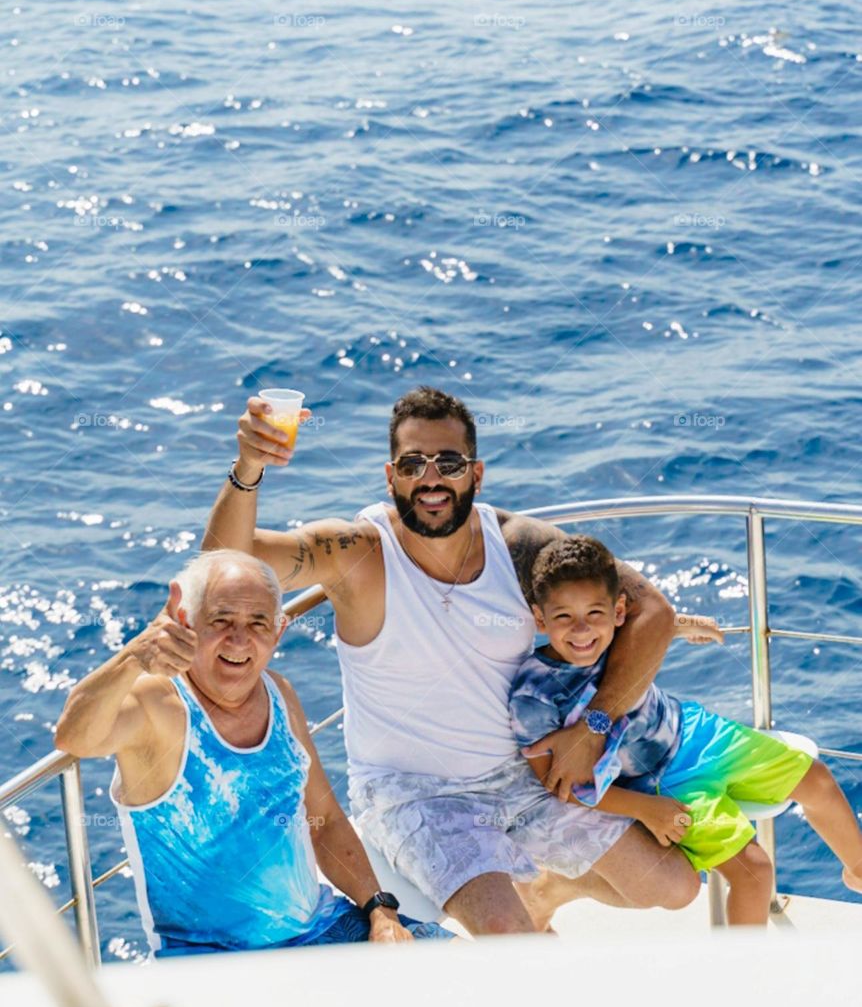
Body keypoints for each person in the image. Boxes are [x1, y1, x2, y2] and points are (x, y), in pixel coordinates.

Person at [201, 385, 702, 936]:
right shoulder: (356, 554)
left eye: (449, 463)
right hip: (415, 793)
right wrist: (249, 467)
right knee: (511, 939)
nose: (431, 478)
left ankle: (548, 889)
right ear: (391, 478)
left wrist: (592, 727)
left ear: (476, 475)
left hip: (524, 772)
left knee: (676, 887)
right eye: (412, 464)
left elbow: (650, 611)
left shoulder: (518, 545)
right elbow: (222, 562)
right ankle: (528, 904)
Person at [55, 550, 452, 956]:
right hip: (213, 957)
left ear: (278, 632)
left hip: (321, 927)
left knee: (466, 969)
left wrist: (379, 910)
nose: (239, 640)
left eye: (258, 623)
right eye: (221, 620)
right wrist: (130, 659)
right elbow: (74, 737)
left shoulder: (280, 694)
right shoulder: (156, 706)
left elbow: (326, 822)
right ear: (187, 621)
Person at [510, 534, 862, 925]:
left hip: (694, 731)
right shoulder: (533, 696)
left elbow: (649, 630)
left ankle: (858, 872)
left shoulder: (613, 633)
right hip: (660, 785)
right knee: (754, 872)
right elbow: (557, 787)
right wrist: (644, 809)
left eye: (595, 613)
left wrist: (679, 626)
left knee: (817, 779)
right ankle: (748, 964)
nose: (581, 630)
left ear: (618, 611)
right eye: (563, 617)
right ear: (539, 619)